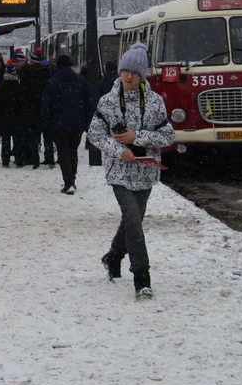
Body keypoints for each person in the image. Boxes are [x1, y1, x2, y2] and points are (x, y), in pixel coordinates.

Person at [87, 42, 174, 300]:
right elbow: (94, 134)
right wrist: (118, 150)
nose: (128, 76)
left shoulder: (156, 102)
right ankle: (142, 278)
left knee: (131, 221)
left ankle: (113, 256)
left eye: (134, 72)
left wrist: (138, 138)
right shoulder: (109, 102)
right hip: (119, 173)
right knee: (134, 219)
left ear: (142, 75)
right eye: (125, 70)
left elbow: (168, 136)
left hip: (146, 172)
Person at [41, 55, 92, 194]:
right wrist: (86, 123)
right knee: (73, 151)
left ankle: (68, 181)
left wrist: (47, 122)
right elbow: (88, 104)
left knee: (63, 152)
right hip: (77, 123)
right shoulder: (81, 81)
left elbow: (46, 105)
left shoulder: (52, 82)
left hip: (59, 123)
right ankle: (72, 180)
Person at [18, 49, 48, 169]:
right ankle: (43, 158)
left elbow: (22, 91)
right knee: (40, 134)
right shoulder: (45, 73)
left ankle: (29, 158)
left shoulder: (25, 73)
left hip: (27, 108)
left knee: (28, 134)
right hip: (40, 107)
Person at [87, 61, 120, 167]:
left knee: (99, 137)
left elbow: (95, 101)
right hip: (120, 115)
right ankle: (116, 157)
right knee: (118, 138)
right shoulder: (121, 82)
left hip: (104, 115)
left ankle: (95, 162)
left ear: (105, 69)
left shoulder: (100, 83)